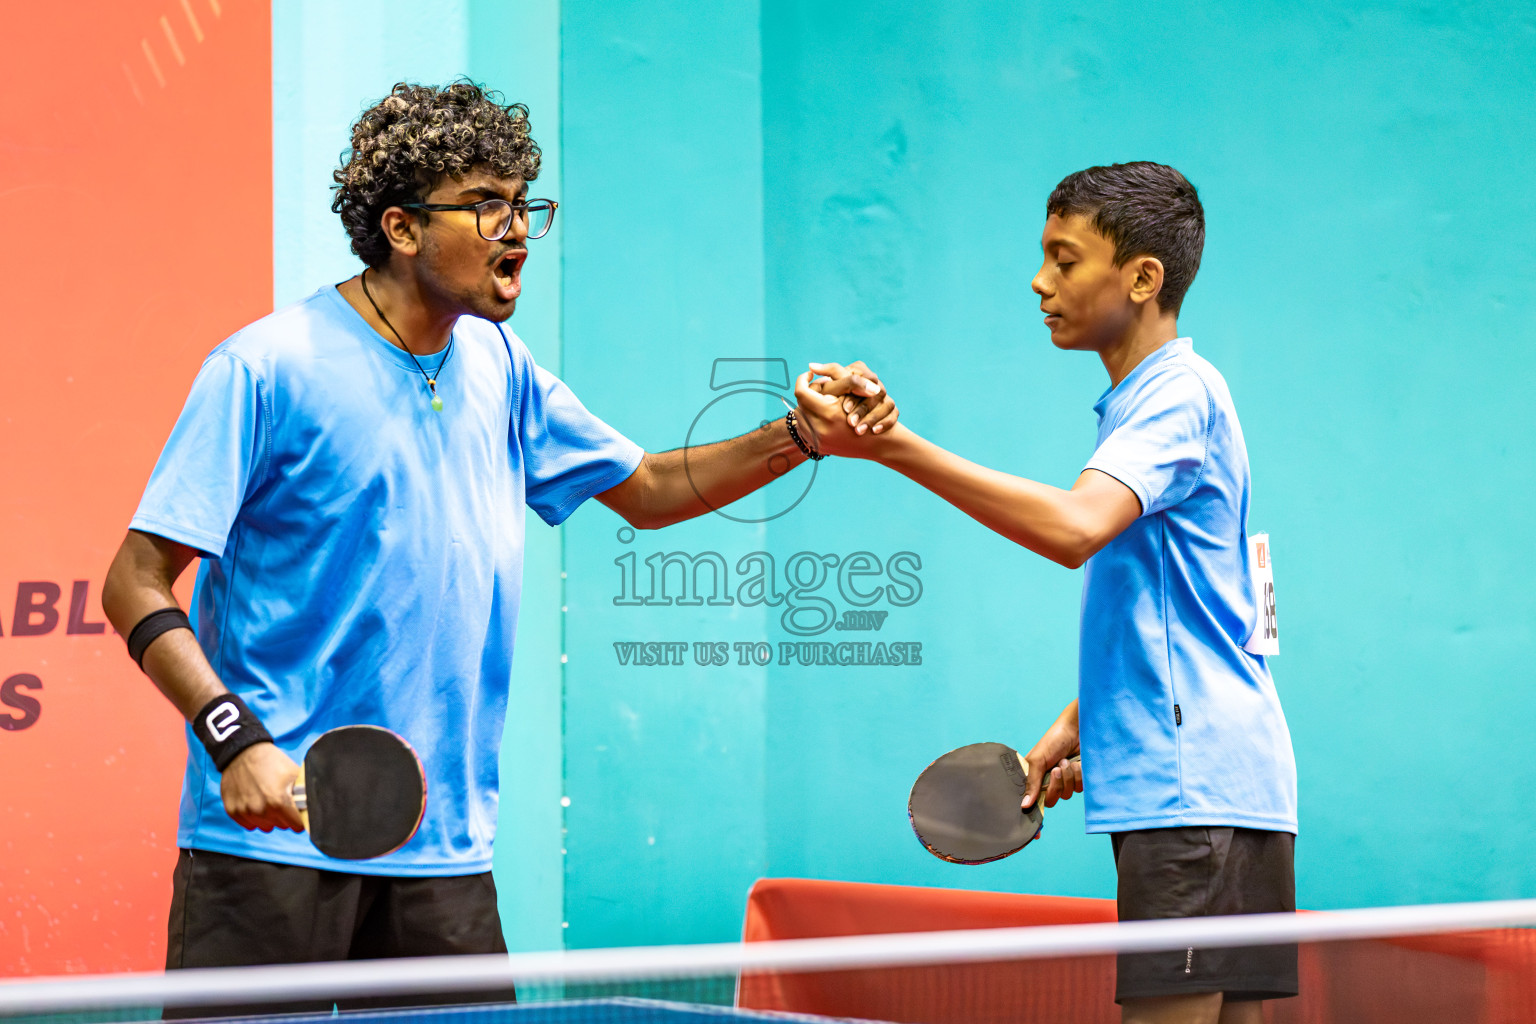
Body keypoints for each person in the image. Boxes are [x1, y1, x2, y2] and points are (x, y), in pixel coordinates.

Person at [100, 80, 890, 992]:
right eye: (484, 208)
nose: (516, 230)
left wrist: (801, 437)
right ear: (400, 228)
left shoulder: (502, 366)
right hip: (269, 848)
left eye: (522, 207)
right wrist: (236, 740)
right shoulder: (264, 369)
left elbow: (650, 489)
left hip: (443, 858)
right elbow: (135, 581)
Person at [796, 162, 1297, 1024]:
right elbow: (1204, 608)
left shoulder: (1174, 392)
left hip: (1192, 798)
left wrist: (893, 448)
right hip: (1232, 783)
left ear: (1142, 278)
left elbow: (1072, 529)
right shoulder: (1162, 401)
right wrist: (1087, 718)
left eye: (1066, 260)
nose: (1041, 281)